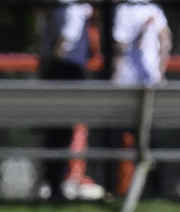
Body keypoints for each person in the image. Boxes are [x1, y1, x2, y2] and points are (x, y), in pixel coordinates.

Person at [39, 0, 104, 201]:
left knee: (59, 131)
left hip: (60, 71)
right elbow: (64, 42)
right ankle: (56, 181)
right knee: (62, 131)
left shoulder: (61, 10)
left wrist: (46, 68)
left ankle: (55, 180)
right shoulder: (72, 10)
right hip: (68, 72)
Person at [110, 0, 171, 196]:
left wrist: (114, 74)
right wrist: (161, 70)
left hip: (127, 83)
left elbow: (119, 45)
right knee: (149, 137)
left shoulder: (123, 10)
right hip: (150, 83)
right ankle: (157, 188)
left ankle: (114, 187)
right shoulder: (154, 10)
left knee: (118, 136)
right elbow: (166, 37)